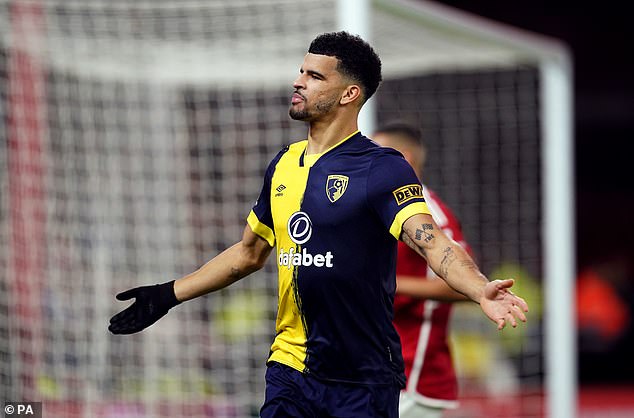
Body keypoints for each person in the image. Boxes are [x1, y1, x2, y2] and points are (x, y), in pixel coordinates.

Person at [109, 31, 528, 418]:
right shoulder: (284, 164)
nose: (298, 82)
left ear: (349, 93)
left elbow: (432, 243)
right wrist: (168, 294)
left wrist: (479, 289)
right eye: (300, 71)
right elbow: (247, 254)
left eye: (313, 76)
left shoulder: (382, 168)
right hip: (290, 368)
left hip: (363, 379)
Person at [374, 122, 470, 418]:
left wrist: (387, 284)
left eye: (374, 155)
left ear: (404, 159)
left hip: (413, 375)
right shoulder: (380, 208)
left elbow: (464, 283)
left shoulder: (429, 213)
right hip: (375, 369)